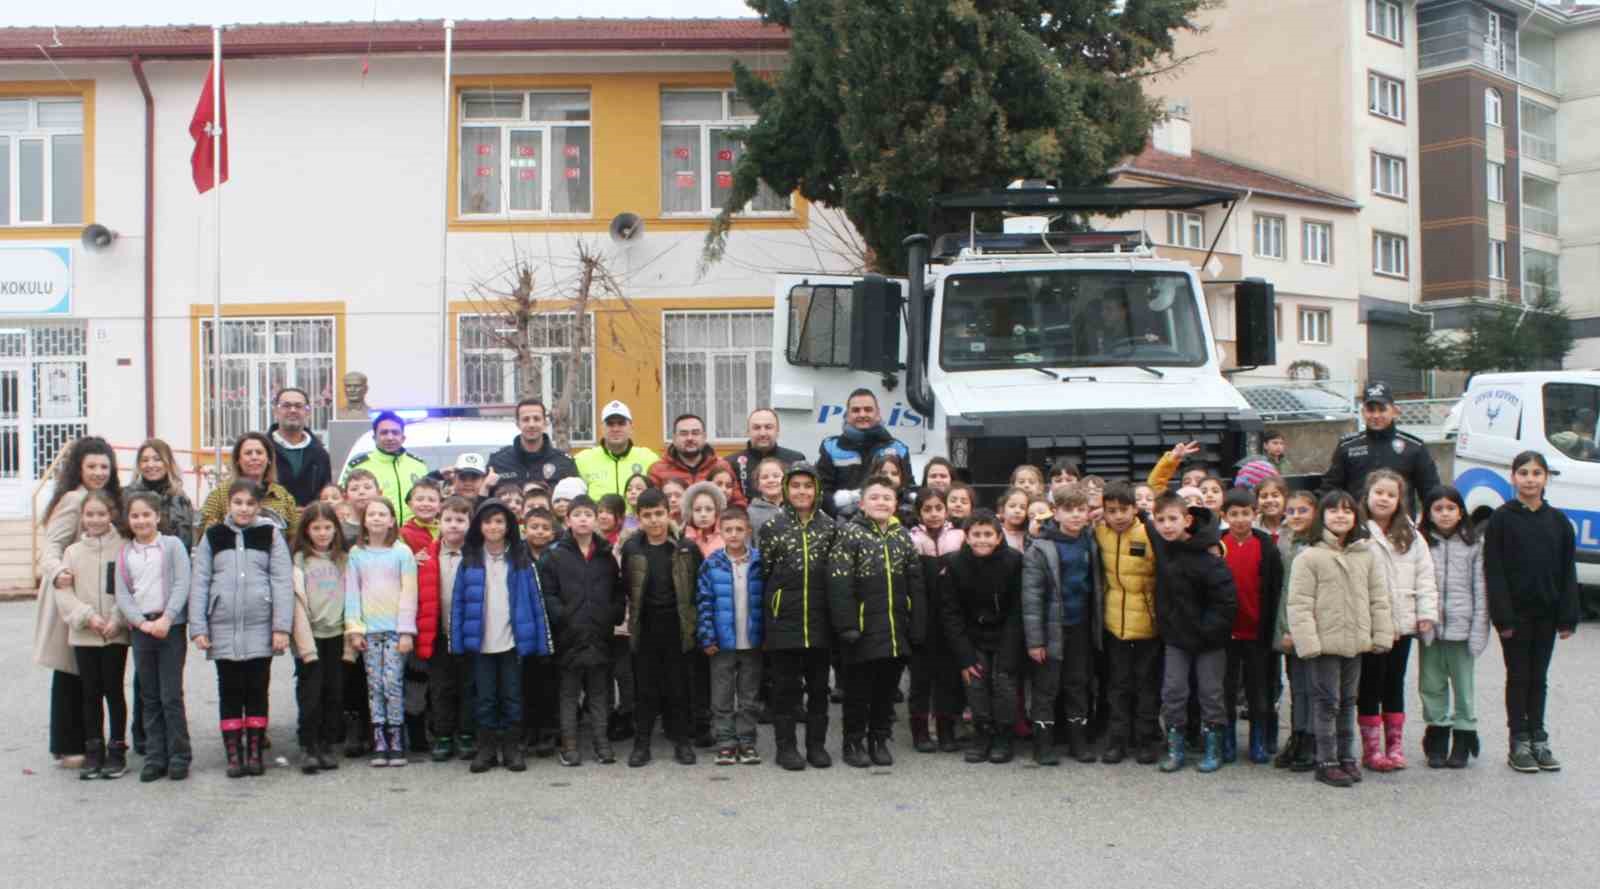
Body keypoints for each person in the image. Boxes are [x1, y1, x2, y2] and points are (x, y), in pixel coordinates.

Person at [1286, 489, 1395, 788]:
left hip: (1356, 643)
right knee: (1327, 703)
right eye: (1333, 510)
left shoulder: (1366, 555)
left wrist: (1381, 634)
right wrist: (1308, 643)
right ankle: (1327, 760)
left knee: (1349, 701)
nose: (1340, 515)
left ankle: (1347, 757)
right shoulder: (1309, 556)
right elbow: (1299, 604)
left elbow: (1378, 598)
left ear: (1356, 516)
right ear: (1322, 516)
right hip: (1323, 645)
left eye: (1347, 510)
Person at [1484, 451, 1581, 773]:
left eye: (1536, 473)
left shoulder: (1559, 522)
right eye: (1523, 472)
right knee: (1519, 676)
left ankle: (1539, 736)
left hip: (1547, 614)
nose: (1530, 479)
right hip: (1515, 617)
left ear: (1545, 479)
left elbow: (1568, 572)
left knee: (1539, 678)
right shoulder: (1501, 519)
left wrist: (1568, 616)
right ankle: (1519, 741)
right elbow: (1494, 571)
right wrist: (1503, 617)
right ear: (1513, 477)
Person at [190, 479, 294, 779]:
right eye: (238, 503)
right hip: (223, 627)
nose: (244, 509)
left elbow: (282, 582)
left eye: (250, 503)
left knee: (257, 688)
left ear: (258, 506)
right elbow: (200, 582)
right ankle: (233, 753)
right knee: (230, 689)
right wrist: (199, 626)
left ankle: (254, 750)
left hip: (261, 626)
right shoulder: (213, 536)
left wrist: (281, 627)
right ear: (228, 505)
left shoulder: (270, 534)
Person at [35, 437, 124, 770]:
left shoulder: (108, 499)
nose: (99, 472)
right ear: (79, 468)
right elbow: (51, 546)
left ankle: (89, 742)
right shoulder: (74, 499)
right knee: (71, 671)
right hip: (70, 594)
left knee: (91, 673)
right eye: (92, 466)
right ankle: (67, 744)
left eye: (104, 466)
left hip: (100, 594)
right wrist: (58, 572)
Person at [451, 499, 554, 774]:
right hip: (482, 644)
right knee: (485, 698)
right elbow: (459, 604)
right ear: (479, 526)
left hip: (511, 644)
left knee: (512, 697)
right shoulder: (470, 560)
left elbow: (536, 604)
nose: (493, 526)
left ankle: (512, 748)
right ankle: (486, 749)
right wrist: (458, 642)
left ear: (508, 526)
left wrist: (540, 643)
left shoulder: (521, 561)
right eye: (488, 521)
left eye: (499, 521)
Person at [829, 475, 924, 768]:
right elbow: (839, 583)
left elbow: (915, 583)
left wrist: (917, 623)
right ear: (862, 503)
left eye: (887, 498)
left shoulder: (901, 537)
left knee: (886, 690)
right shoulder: (850, 535)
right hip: (861, 631)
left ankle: (879, 738)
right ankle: (853, 741)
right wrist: (846, 625)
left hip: (896, 629)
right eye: (875, 497)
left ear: (895, 504)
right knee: (858, 691)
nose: (881, 502)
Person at [758, 462, 838, 770]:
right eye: (796, 486)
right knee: (785, 690)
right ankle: (786, 747)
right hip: (783, 623)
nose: (801, 491)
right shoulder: (772, 528)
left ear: (816, 490)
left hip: (820, 621)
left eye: (808, 485)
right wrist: (768, 617)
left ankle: (816, 746)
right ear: (786, 490)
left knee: (819, 689)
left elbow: (837, 577)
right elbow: (764, 574)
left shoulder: (830, 527)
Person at [1151, 493, 1238, 774]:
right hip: (1176, 638)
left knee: (1211, 693)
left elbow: (1225, 602)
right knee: (1173, 691)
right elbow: (1149, 496)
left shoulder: (1209, 556)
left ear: (1187, 520)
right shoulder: (1164, 548)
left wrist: (1207, 631)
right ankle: (1176, 747)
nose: (1166, 525)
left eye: (1172, 519)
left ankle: (1213, 747)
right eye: (1160, 520)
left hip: (1208, 640)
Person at [1357, 469, 1436, 772]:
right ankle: (1372, 749)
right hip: (1372, 623)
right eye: (1379, 492)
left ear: (1400, 500)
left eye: (1391, 494)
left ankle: (1395, 746)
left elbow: (1425, 575)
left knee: (1394, 683)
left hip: (1403, 622)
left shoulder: (1412, 535)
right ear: (1368, 495)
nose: (1384, 499)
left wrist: (1426, 613)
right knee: (1370, 684)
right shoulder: (1359, 531)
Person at [49, 490, 130, 780]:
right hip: (84, 635)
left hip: (114, 634)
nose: (95, 520)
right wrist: (87, 616)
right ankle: (93, 747)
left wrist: (117, 618)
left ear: (111, 516)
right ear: (82, 517)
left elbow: (129, 588)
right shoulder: (72, 552)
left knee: (113, 690)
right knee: (90, 693)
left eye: (101, 514)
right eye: (90, 514)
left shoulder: (123, 547)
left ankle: (117, 748)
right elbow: (64, 593)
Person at [115, 491, 193, 782]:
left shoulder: (171, 546)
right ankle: (155, 755)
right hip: (142, 630)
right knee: (149, 695)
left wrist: (168, 617)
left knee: (170, 694)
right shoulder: (125, 552)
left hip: (170, 628)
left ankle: (179, 754)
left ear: (158, 517)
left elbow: (183, 582)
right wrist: (139, 622)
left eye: (146, 514)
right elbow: (123, 592)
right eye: (135, 515)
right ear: (128, 519)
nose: (141, 520)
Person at [541, 495, 625, 767]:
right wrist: (563, 616)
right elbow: (548, 593)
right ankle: (570, 745)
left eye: (589, 514)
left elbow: (617, 590)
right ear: (567, 519)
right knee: (568, 693)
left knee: (599, 692)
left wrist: (612, 615)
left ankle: (602, 743)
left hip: (600, 634)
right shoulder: (554, 555)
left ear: (596, 519)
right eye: (577, 514)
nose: (583, 519)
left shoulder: (605, 555)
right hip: (569, 635)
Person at [1021, 483, 1101, 765]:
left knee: (1078, 683)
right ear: (1055, 512)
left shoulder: (1090, 541)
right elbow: (1031, 599)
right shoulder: (1040, 549)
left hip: (1080, 626)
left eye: (1081, 510)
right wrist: (1035, 641)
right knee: (1046, 687)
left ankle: (1078, 742)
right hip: (1050, 629)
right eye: (1069, 510)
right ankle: (1043, 745)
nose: (1076, 516)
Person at [621, 488, 697, 767]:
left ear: (669, 513)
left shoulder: (685, 548)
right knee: (646, 690)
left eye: (659, 514)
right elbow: (627, 586)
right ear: (639, 518)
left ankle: (682, 742)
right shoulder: (632, 548)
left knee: (678, 688)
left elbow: (695, 589)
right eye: (647, 515)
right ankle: (641, 744)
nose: (654, 521)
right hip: (646, 627)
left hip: (676, 626)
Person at [943, 509, 1025, 764]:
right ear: (966, 537)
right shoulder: (955, 564)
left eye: (988, 534)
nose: (982, 540)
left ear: (999, 537)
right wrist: (964, 656)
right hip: (972, 635)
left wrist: (1011, 648)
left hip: (1005, 633)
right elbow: (951, 612)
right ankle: (982, 732)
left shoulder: (1014, 561)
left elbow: (1017, 610)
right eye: (976, 534)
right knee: (976, 682)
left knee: (1004, 683)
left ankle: (1004, 735)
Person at [344, 498, 421, 767]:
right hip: (368, 631)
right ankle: (379, 739)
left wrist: (406, 631)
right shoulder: (357, 554)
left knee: (393, 683)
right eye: (372, 514)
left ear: (392, 520)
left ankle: (397, 739)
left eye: (382, 514)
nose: (377, 518)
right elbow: (352, 593)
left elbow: (409, 593)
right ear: (364, 520)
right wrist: (354, 628)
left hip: (394, 631)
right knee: (374, 685)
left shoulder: (402, 553)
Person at [1418, 486, 1489, 770]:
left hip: (1464, 627)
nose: (1445, 514)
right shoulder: (1421, 543)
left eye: (1451, 508)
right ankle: (1437, 734)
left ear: (1461, 512)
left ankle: (1464, 734)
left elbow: (1481, 590)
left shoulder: (1474, 545)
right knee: (1431, 685)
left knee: (1463, 686)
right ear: (1429, 514)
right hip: (1431, 628)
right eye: (1438, 509)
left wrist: (1479, 629)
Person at [1094, 481, 1162, 765]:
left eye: (1124, 509)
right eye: (1112, 511)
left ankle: (1146, 739)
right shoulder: (1099, 533)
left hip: (1148, 625)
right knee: (1118, 685)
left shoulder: (1149, 533)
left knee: (1146, 686)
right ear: (1104, 513)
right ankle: (1117, 740)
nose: (1118, 516)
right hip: (1114, 625)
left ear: (1135, 508)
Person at [1217, 488, 1284, 765]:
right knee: (1227, 688)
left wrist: (1272, 629)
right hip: (1226, 632)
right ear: (1224, 516)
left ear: (1255, 514)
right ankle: (1228, 738)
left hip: (1257, 631)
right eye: (1234, 514)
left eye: (1246, 513)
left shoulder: (1266, 545)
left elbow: (1275, 588)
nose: (1240, 520)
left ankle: (1259, 738)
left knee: (1260, 689)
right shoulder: (1217, 544)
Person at [697, 507, 766, 766]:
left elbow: (765, 603)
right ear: (720, 532)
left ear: (748, 531)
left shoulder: (759, 562)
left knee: (749, 695)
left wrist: (765, 635)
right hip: (722, 643)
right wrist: (707, 637)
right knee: (722, 695)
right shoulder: (711, 563)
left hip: (752, 641)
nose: (734, 534)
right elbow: (704, 602)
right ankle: (726, 742)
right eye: (729, 530)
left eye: (739, 529)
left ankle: (747, 742)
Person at [288, 502, 349, 774]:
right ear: (306, 530)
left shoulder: (343, 559)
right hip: (309, 635)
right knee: (310, 692)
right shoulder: (299, 560)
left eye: (328, 527)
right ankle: (308, 745)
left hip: (336, 633)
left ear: (336, 529)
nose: (323, 533)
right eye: (316, 528)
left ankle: (327, 744)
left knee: (333, 692)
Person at [418, 496, 476, 763]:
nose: (454, 526)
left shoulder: (477, 555)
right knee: (441, 687)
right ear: (439, 523)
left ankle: (466, 733)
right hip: (438, 634)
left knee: (468, 685)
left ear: (470, 524)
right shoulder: (426, 556)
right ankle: (443, 735)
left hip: (469, 634)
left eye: (461, 520)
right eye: (449, 520)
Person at [1322, 380, 1441, 508]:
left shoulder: (1415, 447)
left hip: (1400, 525)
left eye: (1382, 409)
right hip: (1358, 525)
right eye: (1371, 410)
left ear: (1395, 411)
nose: (1376, 415)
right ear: (1363, 412)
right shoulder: (1347, 446)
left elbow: (1431, 494)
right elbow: (1330, 490)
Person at [907, 488, 964, 754]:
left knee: (948, 679)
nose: (933, 514)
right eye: (927, 509)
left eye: (937, 508)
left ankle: (946, 730)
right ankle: (919, 732)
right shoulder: (912, 540)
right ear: (919, 512)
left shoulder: (959, 537)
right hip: (921, 617)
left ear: (946, 510)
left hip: (950, 619)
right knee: (921, 679)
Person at [1272, 490, 1319, 773]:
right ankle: (1298, 734)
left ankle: (1312, 739)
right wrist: (1284, 629)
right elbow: (1285, 590)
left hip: (1312, 626)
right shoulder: (1285, 541)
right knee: (1297, 686)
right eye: (1291, 512)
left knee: (1314, 686)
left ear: (1315, 512)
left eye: (1303, 511)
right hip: (1287, 621)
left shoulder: (1319, 544)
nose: (1296, 516)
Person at [815, 389, 910, 516]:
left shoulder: (898, 449)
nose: (862, 414)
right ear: (847, 415)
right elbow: (821, 492)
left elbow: (907, 490)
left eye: (868, 409)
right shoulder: (831, 448)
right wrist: (842, 515)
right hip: (842, 524)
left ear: (878, 414)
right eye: (856, 410)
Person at [200, 432, 301, 539]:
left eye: (259, 452)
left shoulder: (282, 496)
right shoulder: (220, 494)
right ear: (238, 460)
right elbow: (205, 533)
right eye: (248, 453)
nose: (254, 457)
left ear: (269, 459)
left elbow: (295, 537)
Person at [341, 411, 430, 526]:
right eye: (384, 433)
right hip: (373, 535)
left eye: (395, 432)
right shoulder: (358, 466)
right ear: (374, 437)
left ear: (403, 437)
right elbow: (344, 502)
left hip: (414, 537)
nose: (390, 437)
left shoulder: (419, 465)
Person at [576, 401, 661, 500]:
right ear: (602, 428)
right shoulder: (582, 460)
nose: (615, 429)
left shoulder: (649, 458)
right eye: (610, 424)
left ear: (631, 427)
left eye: (621, 423)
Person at [488, 398, 578, 489]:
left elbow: (576, 500)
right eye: (526, 419)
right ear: (518, 424)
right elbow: (486, 500)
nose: (531, 424)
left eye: (537, 419)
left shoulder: (564, 463)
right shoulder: (498, 462)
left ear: (545, 423)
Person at [649, 413, 740, 502]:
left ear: (704, 437)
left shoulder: (721, 466)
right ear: (674, 438)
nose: (690, 438)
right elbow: (652, 505)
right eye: (684, 434)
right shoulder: (658, 470)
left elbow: (738, 502)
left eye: (695, 433)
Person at [124, 439, 196, 547]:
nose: (151, 465)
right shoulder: (127, 496)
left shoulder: (179, 499)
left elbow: (184, 542)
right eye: (145, 460)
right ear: (139, 465)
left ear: (167, 463)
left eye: (157, 459)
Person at [270, 387, 334, 507]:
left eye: (298, 406)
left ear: (307, 412)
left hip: (310, 522)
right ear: (276, 411)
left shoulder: (320, 454)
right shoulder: (263, 450)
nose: (293, 410)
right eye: (286, 405)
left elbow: (325, 494)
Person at [731, 407, 805, 501]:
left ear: (777, 431)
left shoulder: (795, 460)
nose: (763, 433)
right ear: (748, 432)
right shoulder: (731, 463)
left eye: (768, 427)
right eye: (756, 427)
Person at [399, 478, 444, 553]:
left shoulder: (446, 530)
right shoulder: (403, 534)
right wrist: (412, 560)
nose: (425, 504)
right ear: (410, 505)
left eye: (431, 500)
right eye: (420, 499)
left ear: (440, 507)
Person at [745, 456, 786, 532]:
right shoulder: (750, 514)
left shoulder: (796, 508)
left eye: (776, 476)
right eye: (765, 477)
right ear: (758, 484)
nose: (771, 480)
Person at [998, 487, 1031, 552]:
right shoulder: (997, 533)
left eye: (1022, 507)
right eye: (1012, 506)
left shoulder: (1029, 535)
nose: (1017, 511)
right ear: (1002, 510)